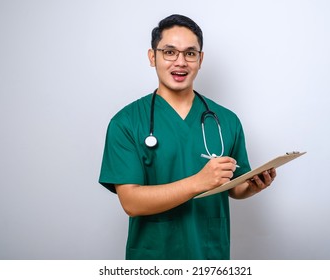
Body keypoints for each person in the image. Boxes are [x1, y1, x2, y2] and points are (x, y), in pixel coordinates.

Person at [99, 14, 276, 260]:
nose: (180, 62)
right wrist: (199, 182)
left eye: (190, 53)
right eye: (169, 52)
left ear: (200, 59)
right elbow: (131, 202)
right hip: (154, 258)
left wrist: (252, 186)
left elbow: (234, 188)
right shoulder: (126, 122)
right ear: (153, 57)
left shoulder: (226, 120)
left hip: (210, 255)